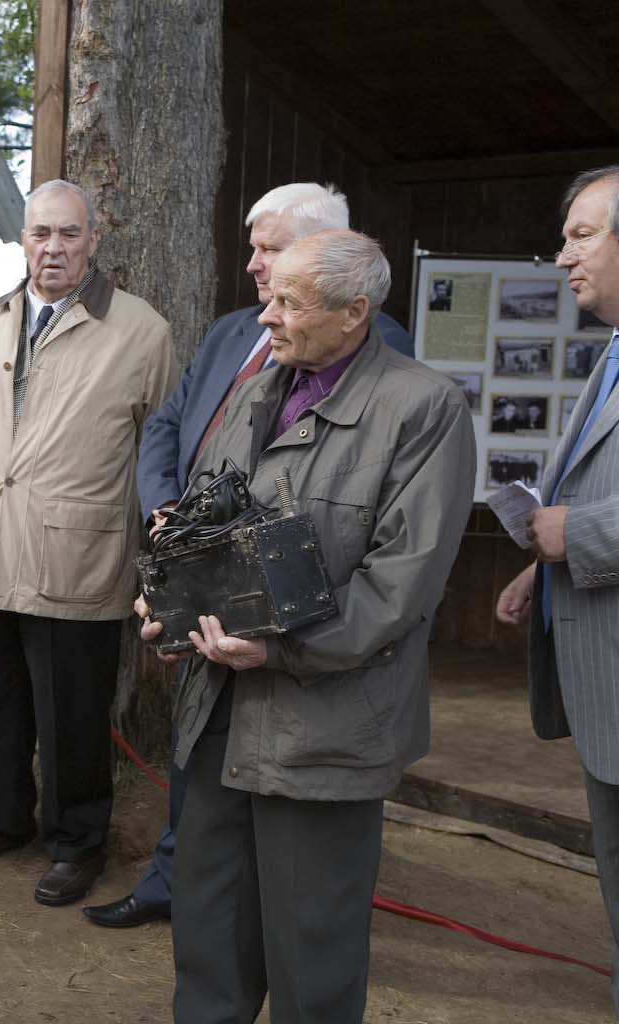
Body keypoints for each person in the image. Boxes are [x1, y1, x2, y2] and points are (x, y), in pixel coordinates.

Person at [146, 230, 473, 1023]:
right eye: (270, 296)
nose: (266, 317)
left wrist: (282, 648)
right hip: (219, 709)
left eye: (289, 302)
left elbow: (401, 585)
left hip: (324, 730)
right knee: (210, 940)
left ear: (355, 312)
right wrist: (168, 600)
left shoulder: (422, 408)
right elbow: (206, 523)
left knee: (311, 957)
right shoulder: (257, 391)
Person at [87, 181, 417, 929]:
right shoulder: (236, 330)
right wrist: (171, 520)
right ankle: (180, 876)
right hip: (203, 576)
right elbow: (169, 425)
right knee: (199, 754)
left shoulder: (387, 363)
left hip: (300, 636)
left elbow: (371, 539)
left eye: (272, 250)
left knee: (285, 858)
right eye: (256, 248)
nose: (255, 268)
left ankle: (236, 896)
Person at [0, 179, 175, 907]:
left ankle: (76, 839)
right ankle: (0, 818)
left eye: (69, 234)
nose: (54, 248)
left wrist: (159, 557)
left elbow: (159, 444)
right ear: (24, 239)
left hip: (77, 551)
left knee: (71, 709)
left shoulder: (141, 330)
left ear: (93, 241)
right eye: (41, 234)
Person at [496, 165, 619, 1016]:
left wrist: (569, 536)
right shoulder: (612, 344)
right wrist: (539, 562)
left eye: (581, 235)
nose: (561, 254)